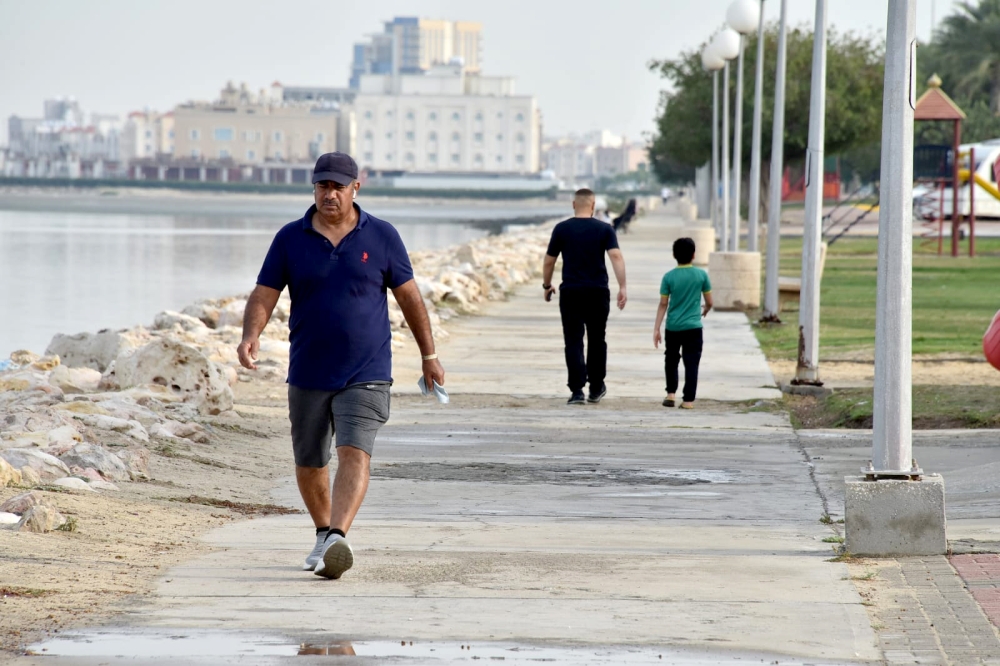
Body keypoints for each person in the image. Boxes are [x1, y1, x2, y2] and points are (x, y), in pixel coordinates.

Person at [237, 152, 445, 580]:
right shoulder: (290, 238)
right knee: (311, 460)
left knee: (354, 451)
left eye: (337, 186)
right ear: (313, 188)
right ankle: (323, 533)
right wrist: (250, 334)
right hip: (309, 368)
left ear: (356, 188)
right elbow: (264, 293)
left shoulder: (382, 236)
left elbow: (409, 298)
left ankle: (337, 537)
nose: (329, 194)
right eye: (322, 186)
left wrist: (429, 356)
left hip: (367, 370)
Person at [543, 188, 627, 405]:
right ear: (593, 205)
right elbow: (616, 256)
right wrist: (623, 286)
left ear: (573, 204)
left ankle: (577, 390)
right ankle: (596, 387)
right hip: (598, 291)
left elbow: (549, 260)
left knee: (573, 340)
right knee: (597, 339)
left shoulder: (562, 229)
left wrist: (547, 284)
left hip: (571, 291)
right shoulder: (604, 229)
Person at [653, 237, 712, 409]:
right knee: (691, 362)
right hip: (694, 327)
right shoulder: (701, 275)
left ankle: (671, 394)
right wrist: (706, 309)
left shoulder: (668, 277)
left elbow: (663, 304)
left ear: (674, 255)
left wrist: (657, 328)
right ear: (694, 255)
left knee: (671, 360)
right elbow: (710, 301)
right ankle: (688, 401)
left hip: (673, 327)